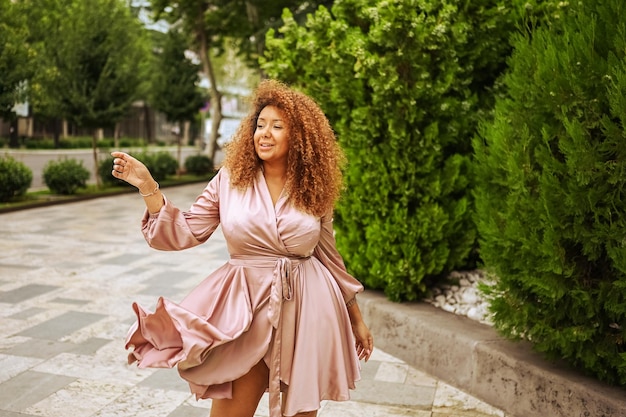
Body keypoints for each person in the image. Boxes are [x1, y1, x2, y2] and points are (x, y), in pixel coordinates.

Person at [111, 79, 374, 417]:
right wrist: (148, 187)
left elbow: (329, 258)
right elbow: (187, 230)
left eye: (277, 126)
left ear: (300, 138)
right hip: (244, 312)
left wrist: (357, 320)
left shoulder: (313, 189)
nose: (264, 132)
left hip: (307, 309)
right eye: (260, 124)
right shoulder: (230, 180)